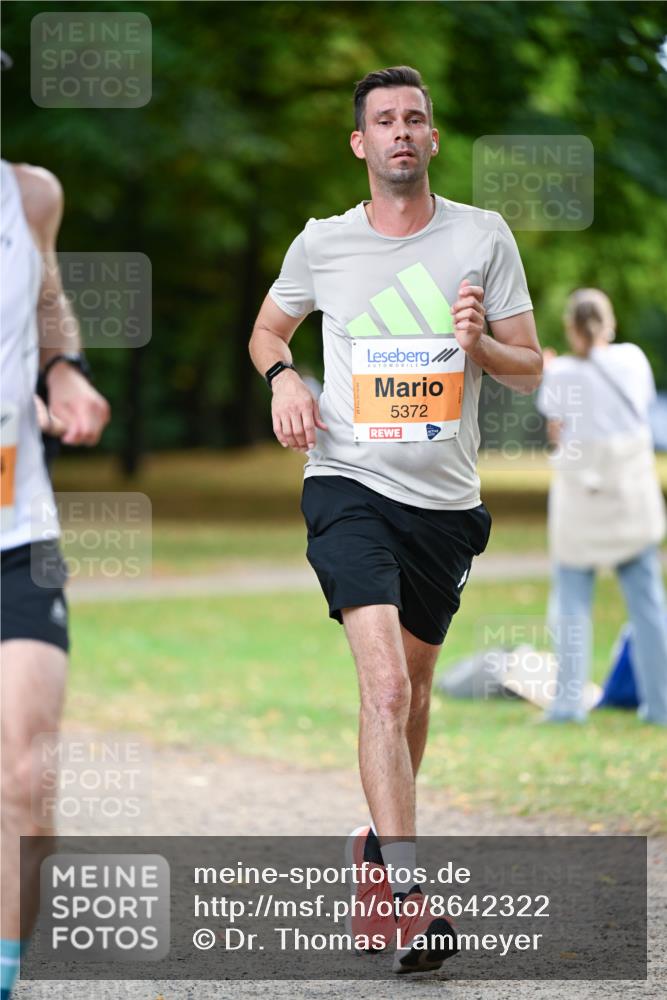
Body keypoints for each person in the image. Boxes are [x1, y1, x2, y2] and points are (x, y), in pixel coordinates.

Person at [249, 65, 542, 973]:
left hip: (445, 506)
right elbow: (267, 330)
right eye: (384, 121)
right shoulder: (321, 244)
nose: (401, 133)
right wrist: (283, 378)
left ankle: (377, 855)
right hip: (346, 484)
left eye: (415, 119)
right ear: (360, 143)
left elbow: (527, 366)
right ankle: (412, 900)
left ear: (433, 137)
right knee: (380, 688)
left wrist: (478, 345)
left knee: (412, 695)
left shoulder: (482, 236)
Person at [0, 157, 110, 1000]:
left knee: (28, 781)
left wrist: (63, 368)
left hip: (17, 530)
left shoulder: (30, 194)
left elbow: (45, 303)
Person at [536, 288, 667, 725]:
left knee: (572, 602)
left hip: (581, 502)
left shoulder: (559, 374)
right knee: (647, 603)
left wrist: (553, 371)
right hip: (629, 497)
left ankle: (568, 704)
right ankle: (660, 704)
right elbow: (641, 413)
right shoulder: (632, 359)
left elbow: (558, 434)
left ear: (572, 328)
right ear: (609, 323)